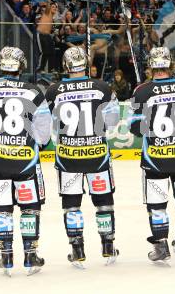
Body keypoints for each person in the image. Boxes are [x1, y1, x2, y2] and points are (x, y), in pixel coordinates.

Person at [0, 47, 51, 276]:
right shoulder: (33, 91)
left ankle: (5, 255)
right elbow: (44, 127)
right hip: (25, 161)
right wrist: (38, 144)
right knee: (30, 207)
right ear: (21, 66)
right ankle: (30, 254)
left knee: (1, 209)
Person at [45, 47, 120, 268]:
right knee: (103, 201)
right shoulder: (103, 87)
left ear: (66, 66)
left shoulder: (53, 90)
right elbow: (113, 120)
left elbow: (47, 121)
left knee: (71, 204)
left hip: (68, 157)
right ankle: (108, 246)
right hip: (97, 155)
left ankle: (77, 249)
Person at [128, 47, 175, 264]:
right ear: (170, 65)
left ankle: (161, 246)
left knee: (157, 204)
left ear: (151, 65)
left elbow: (135, 128)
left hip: (155, 160)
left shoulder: (141, 91)